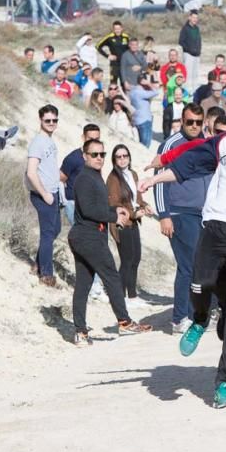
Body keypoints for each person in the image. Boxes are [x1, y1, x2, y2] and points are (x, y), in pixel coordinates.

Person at [139, 96, 226, 408]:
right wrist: (154, 179)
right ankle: (200, 320)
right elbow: (188, 165)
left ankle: (223, 386)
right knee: (199, 283)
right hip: (216, 225)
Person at [68, 138, 152, 345]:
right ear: (84, 156)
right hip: (88, 237)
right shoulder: (85, 178)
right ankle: (124, 320)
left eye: (102, 154)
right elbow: (89, 210)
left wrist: (116, 210)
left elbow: (98, 206)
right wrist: (115, 217)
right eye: (94, 154)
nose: (99, 158)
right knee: (112, 277)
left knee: (83, 285)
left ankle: (80, 331)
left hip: (86, 236)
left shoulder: (94, 176)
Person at [153, 104, 209, 333]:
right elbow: (158, 181)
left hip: (203, 213)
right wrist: (164, 215)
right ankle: (179, 318)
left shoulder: (206, 142)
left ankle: (194, 312)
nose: (194, 126)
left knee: (200, 265)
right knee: (188, 265)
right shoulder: (171, 144)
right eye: (190, 122)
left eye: (198, 122)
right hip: (179, 212)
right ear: (182, 121)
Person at [107, 144, 151, 309]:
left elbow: (137, 198)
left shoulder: (132, 174)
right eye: (119, 156)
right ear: (114, 160)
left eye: (125, 155)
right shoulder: (113, 178)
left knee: (136, 258)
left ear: (129, 157)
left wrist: (144, 205)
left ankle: (132, 296)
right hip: (121, 223)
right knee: (126, 260)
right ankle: (120, 297)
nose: (122, 159)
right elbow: (114, 204)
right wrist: (133, 214)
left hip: (133, 222)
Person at [26, 105, 62, 287]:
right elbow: (31, 172)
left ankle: (38, 263)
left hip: (53, 192)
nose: (51, 123)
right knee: (48, 234)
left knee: (55, 229)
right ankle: (46, 274)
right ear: (40, 120)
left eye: (54, 120)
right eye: (48, 120)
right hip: (43, 194)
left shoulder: (49, 140)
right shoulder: (38, 142)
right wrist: (45, 194)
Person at [130, 73, 159, 148]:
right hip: (144, 120)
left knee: (141, 145)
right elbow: (156, 92)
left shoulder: (133, 91)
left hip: (138, 120)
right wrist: (149, 84)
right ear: (143, 81)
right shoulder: (140, 92)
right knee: (145, 146)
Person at [97, 21, 129, 86]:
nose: (117, 30)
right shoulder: (109, 37)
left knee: (124, 83)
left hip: (124, 64)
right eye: (115, 29)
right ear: (113, 29)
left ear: (121, 28)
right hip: (114, 64)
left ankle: (124, 96)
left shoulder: (126, 37)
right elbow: (97, 46)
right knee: (113, 83)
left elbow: (129, 49)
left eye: (119, 29)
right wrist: (107, 56)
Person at [178, 11, 202, 85]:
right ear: (189, 18)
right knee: (188, 75)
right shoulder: (185, 28)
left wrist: (199, 50)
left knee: (195, 75)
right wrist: (189, 50)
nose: (195, 19)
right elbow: (181, 41)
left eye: (196, 18)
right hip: (188, 55)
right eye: (193, 17)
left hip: (197, 55)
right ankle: (188, 92)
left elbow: (199, 40)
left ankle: (195, 92)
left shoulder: (197, 28)